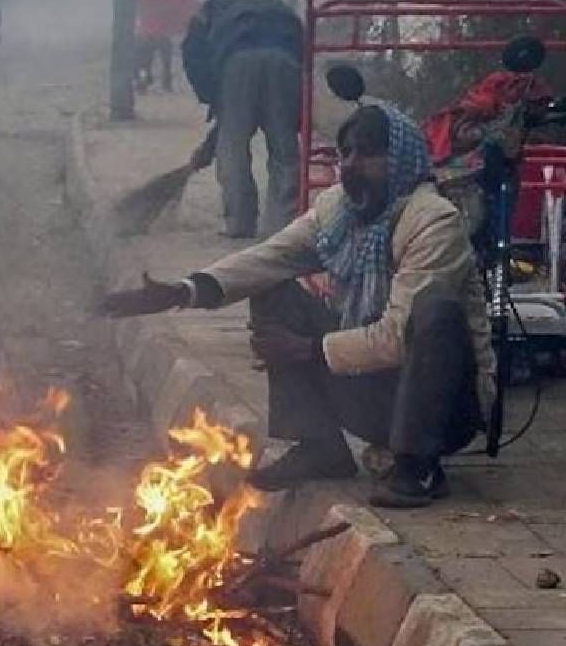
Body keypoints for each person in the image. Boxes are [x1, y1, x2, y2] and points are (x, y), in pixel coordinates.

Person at [100, 105, 494, 509]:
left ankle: (417, 467)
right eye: (347, 153)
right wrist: (182, 292)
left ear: (400, 159)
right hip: (373, 392)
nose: (353, 166)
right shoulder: (340, 209)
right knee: (271, 289)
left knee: (435, 310)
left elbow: (395, 337)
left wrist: (307, 349)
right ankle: (320, 446)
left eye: (369, 154)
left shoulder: (433, 222)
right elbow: (271, 258)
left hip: (445, 408)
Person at [182, 0, 302, 238]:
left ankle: (239, 223)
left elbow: (194, 60)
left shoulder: (204, 16)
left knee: (232, 148)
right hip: (285, 61)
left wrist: (214, 99)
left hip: (238, 64)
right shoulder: (273, 4)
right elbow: (302, 41)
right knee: (284, 150)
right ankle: (283, 228)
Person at [134, 0, 197, 94]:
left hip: (148, 30)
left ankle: (145, 80)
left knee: (146, 59)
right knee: (163, 58)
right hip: (159, 30)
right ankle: (162, 82)